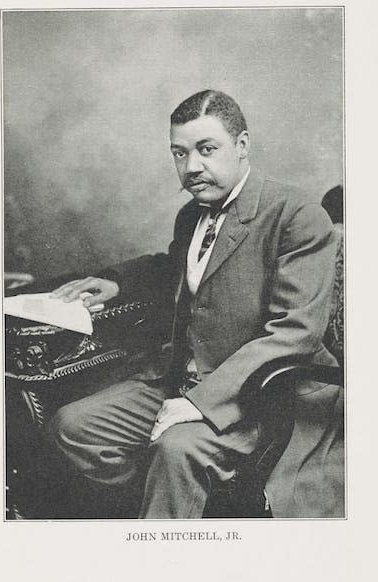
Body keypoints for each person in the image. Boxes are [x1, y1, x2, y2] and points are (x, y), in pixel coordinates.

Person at [48, 90, 344, 518]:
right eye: (179, 153)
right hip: (177, 378)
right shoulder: (192, 215)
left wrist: (198, 404)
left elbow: (295, 333)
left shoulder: (296, 215)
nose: (191, 167)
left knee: (176, 450)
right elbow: (177, 268)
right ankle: (155, 518)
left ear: (242, 146)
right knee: (73, 428)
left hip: (264, 397)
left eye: (207, 149)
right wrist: (115, 283)